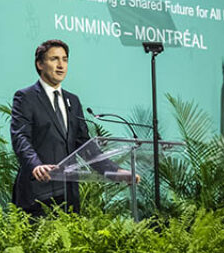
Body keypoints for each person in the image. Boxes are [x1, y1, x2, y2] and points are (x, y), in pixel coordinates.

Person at [10, 39, 133, 215]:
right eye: (54, 59)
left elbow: (84, 145)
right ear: (40, 64)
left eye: (65, 59)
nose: (61, 65)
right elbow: (20, 137)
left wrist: (114, 171)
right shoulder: (26, 97)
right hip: (38, 191)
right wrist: (36, 165)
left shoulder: (72, 101)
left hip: (68, 194)